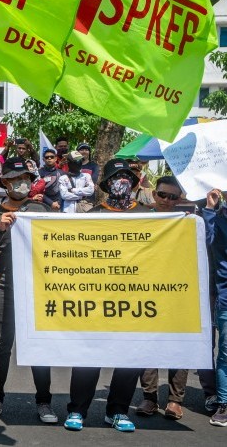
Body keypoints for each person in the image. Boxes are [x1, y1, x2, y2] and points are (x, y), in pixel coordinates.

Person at [63, 159, 151, 433]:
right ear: (105, 184)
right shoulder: (93, 215)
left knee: (128, 358)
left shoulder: (150, 216)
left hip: (134, 298)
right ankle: (77, 410)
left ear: (135, 182)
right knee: (88, 356)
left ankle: (118, 411)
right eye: (116, 176)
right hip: (97, 298)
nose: (121, 180)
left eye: (127, 176)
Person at [0, 157, 54, 424]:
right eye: (15, 180)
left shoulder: (40, 210)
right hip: (3, 285)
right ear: (5, 183)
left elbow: (70, 236)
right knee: (0, 346)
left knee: (39, 345)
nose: (21, 184)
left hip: (36, 286)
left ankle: (44, 402)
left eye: (25, 179)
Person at [135, 176, 192, 420]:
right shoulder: (139, 219)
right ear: (154, 194)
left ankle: (175, 400)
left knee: (179, 344)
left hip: (178, 291)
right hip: (144, 289)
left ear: (179, 199)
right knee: (147, 343)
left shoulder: (189, 223)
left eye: (172, 197)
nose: (166, 200)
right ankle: (149, 398)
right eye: (162, 195)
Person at [202, 188, 227, 427]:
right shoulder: (219, 219)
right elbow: (206, 240)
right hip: (226, 298)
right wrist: (210, 208)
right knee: (226, 355)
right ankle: (224, 403)